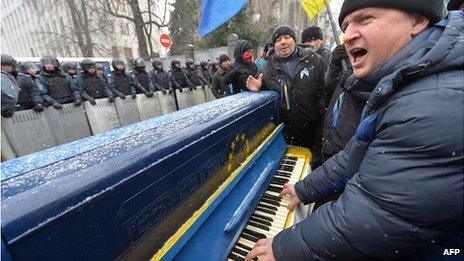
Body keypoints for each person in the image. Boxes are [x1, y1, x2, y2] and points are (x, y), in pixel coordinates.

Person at [246, 1, 463, 260]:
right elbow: (356, 151)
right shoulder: (405, 82)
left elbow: (376, 214)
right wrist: (304, 189)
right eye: (346, 25)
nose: (347, 35)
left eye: (366, 19)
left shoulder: (436, 99)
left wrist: (284, 248)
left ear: (418, 20)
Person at [246, 25, 326, 167]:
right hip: (287, 135)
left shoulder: (314, 59)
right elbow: (269, 100)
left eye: (287, 37)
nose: (283, 42)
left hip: (315, 132)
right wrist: (258, 90)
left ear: (294, 40)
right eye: (278, 39)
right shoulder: (267, 69)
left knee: (314, 169)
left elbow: (325, 91)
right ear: (274, 45)